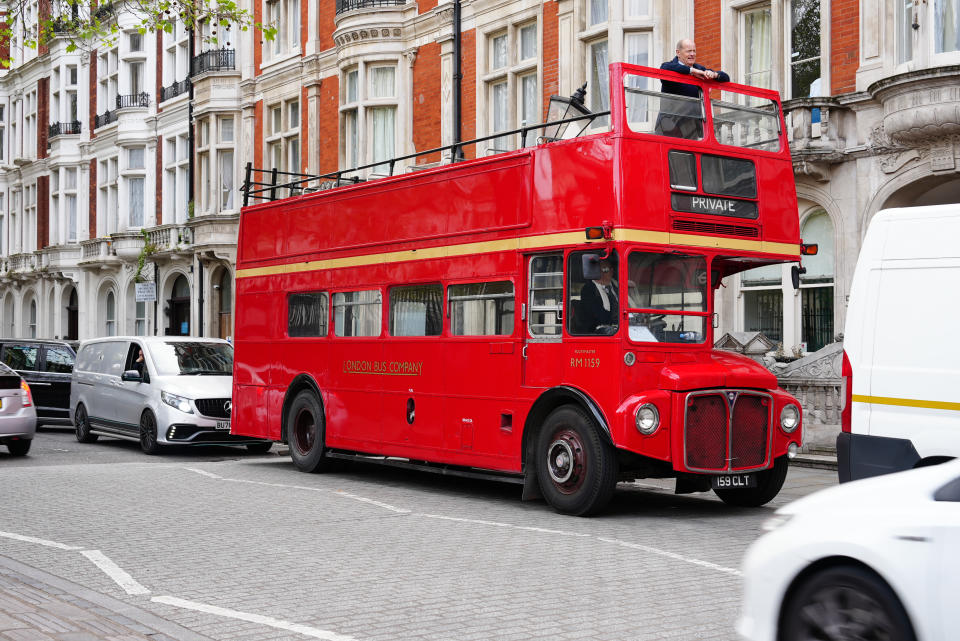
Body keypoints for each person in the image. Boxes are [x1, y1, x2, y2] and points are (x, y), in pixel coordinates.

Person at [656, 39, 729, 138]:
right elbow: (663, 69)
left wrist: (714, 75)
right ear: (678, 53)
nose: (692, 54)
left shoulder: (700, 69)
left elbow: (726, 78)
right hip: (669, 126)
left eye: (694, 51)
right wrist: (691, 71)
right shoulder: (669, 66)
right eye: (688, 51)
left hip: (692, 127)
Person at [579, 259, 619, 333]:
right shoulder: (589, 289)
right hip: (598, 330)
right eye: (598, 270)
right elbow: (598, 316)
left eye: (605, 270)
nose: (601, 273)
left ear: (612, 271)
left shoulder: (617, 286)